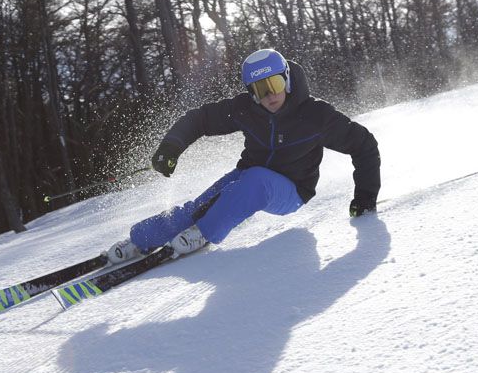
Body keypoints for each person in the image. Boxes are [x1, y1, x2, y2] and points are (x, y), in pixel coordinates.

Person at [108, 48, 381, 263]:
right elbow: (200, 119)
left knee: (256, 181)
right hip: (248, 176)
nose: (271, 94)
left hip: (292, 191)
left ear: (286, 79)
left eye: (274, 83)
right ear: (251, 92)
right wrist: (171, 147)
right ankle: (138, 241)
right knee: (199, 207)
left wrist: (365, 198)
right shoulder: (245, 110)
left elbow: (364, 145)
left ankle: (202, 235)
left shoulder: (315, 115)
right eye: (261, 89)